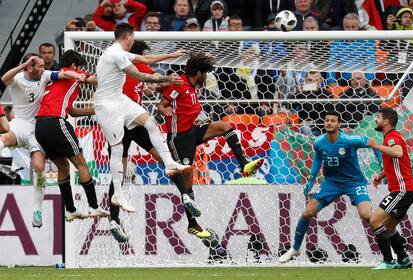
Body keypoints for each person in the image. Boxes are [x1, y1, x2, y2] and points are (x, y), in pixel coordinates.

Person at [158, 52, 264, 238]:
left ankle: (244, 165)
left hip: (193, 131)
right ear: (197, 72)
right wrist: (166, 111)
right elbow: (163, 104)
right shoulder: (179, 84)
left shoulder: (193, 87)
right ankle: (192, 224)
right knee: (187, 180)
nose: (206, 77)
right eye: (205, 73)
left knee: (225, 126)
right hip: (179, 137)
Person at [94, 23, 190, 213]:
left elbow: (145, 58)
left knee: (150, 122)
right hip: (107, 105)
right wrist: (167, 80)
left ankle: (169, 162)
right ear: (128, 37)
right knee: (118, 148)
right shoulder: (116, 54)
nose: (133, 41)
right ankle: (118, 194)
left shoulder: (119, 51)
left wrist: (171, 55)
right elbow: (139, 75)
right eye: (133, 37)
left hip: (120, 100)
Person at [279, 110, 382, 263]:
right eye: (327, 120)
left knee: (367, 215)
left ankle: (389, 247)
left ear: (339, 124)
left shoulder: (349, 139)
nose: (329, 123)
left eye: (333, 121)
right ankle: (295, 248)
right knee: (307, 213)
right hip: (331, 183)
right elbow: (317, 160)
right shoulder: (319, 142)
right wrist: (310, 181)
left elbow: (372, 142)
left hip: (354, 182)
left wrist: (381, 167)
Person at [0, 53, 86, 228]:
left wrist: (76, 75)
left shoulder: (45, 75)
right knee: (3, 139)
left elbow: (63, 74)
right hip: (20, 124)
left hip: (37, 128)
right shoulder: (17, 78)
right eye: (39, 65)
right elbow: (4, 78)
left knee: (39, 167)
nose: (44, 68)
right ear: (29, 67)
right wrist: (22, 65)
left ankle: (37, 210)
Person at [35, 50, 110, 222]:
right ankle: (93, 206)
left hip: (40, 126)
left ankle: (70, 209)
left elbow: (73, 112)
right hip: (56, 122)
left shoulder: (53, 79)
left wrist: (97, 109)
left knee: (62, 167)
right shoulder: (75, 74)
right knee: (81, 163)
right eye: (80, 67)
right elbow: (96, 80)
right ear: (74, 66)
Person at [369, 107, 413, 269]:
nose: (376, 120)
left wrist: (376, 146)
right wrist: (381, 175)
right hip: (406, 189)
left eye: (378, 117)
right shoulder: (391, 137)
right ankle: (403, 260)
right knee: (388, 227)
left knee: (375, 220)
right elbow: (396, 161)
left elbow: (397, 153)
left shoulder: (392, 137)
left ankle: (388, 261)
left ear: (386, 122)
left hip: (402, 189)